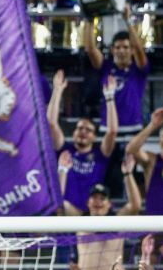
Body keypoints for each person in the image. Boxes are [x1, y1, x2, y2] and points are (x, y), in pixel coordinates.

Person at [47, 70, 117, 215]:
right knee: (61, 205)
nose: (83, 131)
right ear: (73, 133)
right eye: (79, 128)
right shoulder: (65, 150)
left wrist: (110, 97)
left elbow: (112, 131)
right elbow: (51, 124)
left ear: (94, 137)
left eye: (88, 130)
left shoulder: (100, 154)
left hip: (93, 214)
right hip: (67, 213)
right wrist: (57, 90)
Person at [82, 12, 148, 134]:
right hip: (107, 128)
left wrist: (128, 21)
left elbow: (139, 49)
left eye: (126, 47)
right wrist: (90, 20)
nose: (121, 51)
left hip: (133, 128)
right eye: (117, 47)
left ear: (132, 50)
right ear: (112, 50)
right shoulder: (106, 67)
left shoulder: (138, 69)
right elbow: (90, 49)